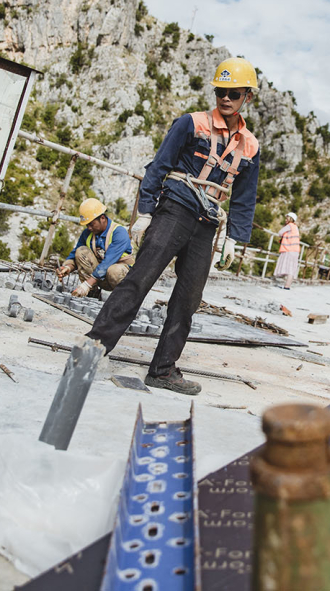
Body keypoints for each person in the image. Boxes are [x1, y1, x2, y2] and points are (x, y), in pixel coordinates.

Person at [83, 57, 261, 395]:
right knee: (139, 279)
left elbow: (244, 198)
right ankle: (92, 349)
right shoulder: (191, 124)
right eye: (221, 91)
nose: (225, 98)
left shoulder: (250, 147)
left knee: (188, 298)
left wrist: (234, 239)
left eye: (234, 93)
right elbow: (159, 165)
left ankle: (163, 370)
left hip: (207, 221)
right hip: (175, 208)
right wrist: (147, 211)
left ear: (247, 97)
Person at [55, 198, 134, 298]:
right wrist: (67, 267)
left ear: (102, 218)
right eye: (87, 225)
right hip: (99, 277)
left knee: (113, 270)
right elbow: (75, 253)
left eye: (91, 224)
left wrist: (86, 284)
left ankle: (123, 300)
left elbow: (108, 262)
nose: (89, 228)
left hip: (120, 277)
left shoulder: (118, 232)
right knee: (81, 251)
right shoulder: (88, 234)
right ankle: (91, 294)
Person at [274, 212, 300, 289]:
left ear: (290, 219)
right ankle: (287, 286)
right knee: (291, 269)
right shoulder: (295, 227)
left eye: (287, 218)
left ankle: (286, 285)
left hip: (289, 249)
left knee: (287, 266)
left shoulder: (289, 226)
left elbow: (280, 233)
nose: (286, 219)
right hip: (295, 250)